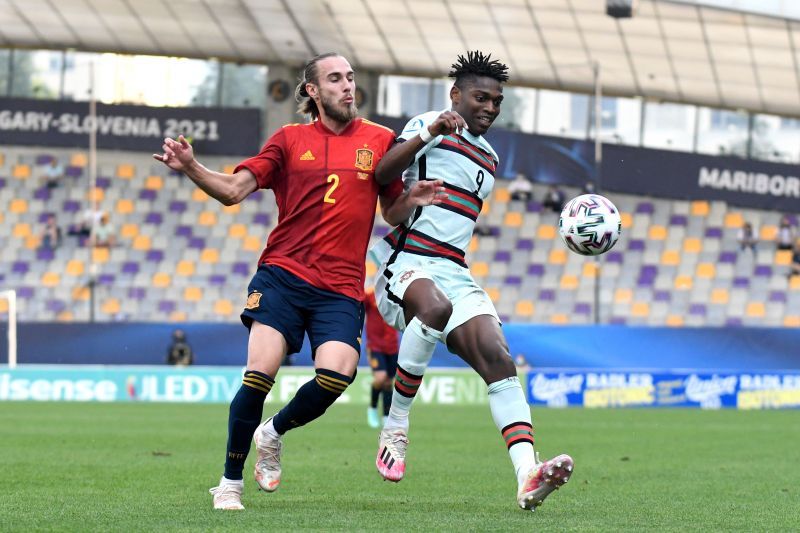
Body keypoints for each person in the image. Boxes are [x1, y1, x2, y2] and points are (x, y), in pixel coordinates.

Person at [154, 52, 444, 511]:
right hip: (283, 276)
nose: (347, 85)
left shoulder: (378, 139)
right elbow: (233, 191)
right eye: (335, 79)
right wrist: (192, 166)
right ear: (312, 90)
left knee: (337, 374)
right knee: (259, 375)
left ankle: (272, 432)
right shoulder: (289, 140)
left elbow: (390, 211)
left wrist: (413, 199)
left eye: (350, 77)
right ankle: (230, 483)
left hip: (342, 286)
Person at [369, 51, 573, 512]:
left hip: (453, 269)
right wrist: (430, 132)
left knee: (499, 358)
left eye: (497, 101)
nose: (490, 108)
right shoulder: (427, 125)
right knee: (434, 308)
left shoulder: (489, 157)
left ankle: (528, 475)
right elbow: (381, 175)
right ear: (455, 95)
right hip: (405, 260)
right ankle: (396, 426)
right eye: (481, 97)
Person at [363, 286, 399, 428]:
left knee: (388, 382)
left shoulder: (397, 294)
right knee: (380, 377)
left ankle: (385, 416)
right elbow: (358, 304)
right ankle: (372, 408)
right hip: (375, 346)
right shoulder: (371, 296)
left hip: (392, 346)